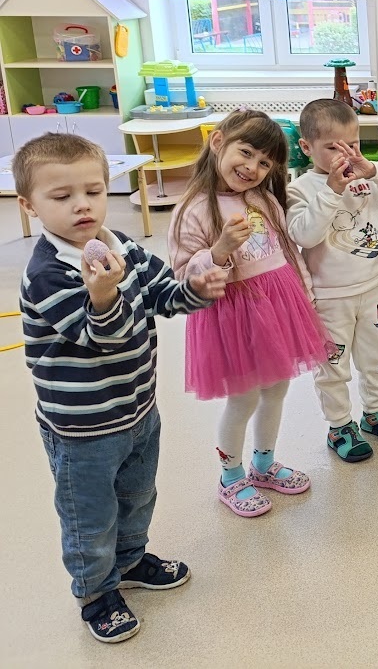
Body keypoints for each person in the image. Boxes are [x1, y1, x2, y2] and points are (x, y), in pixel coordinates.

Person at [17, 134, 227, 642]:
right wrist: (103, 295)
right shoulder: (47, 273)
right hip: (81, 429)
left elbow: (162, 295)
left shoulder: (122, 246)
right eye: (62, 196)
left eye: (93, 191)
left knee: (137, 496)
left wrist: (195, 289)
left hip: (137, 409)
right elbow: (101, 335)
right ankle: (96, 593)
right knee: (90, 516)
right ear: (29, 205)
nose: (82, 205)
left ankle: (130, 561)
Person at [169, 110, 332, 518]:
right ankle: (230, 477)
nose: (252, 168)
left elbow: (287, 252)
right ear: (218, 142)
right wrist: (220, 249)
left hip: (279, 308)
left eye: (264, 162)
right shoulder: (192, 209)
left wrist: (306, 295)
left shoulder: (264, 199)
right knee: (243, 399)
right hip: (233, 316)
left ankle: (263, 463)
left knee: (276, 389)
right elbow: (183, 275)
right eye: (245, 153)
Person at [287, 98, 378, 463]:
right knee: (333, 366)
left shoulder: (369, 178)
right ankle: (339, 426)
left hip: (375, 289)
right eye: (332, 147)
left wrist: (373, 169)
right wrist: (332, 191)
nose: (344, 156)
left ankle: (375, 412)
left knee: (377, 356)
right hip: (330, 299)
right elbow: (304, 235)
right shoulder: (301, 189)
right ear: (307, 147)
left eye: (351, 145)